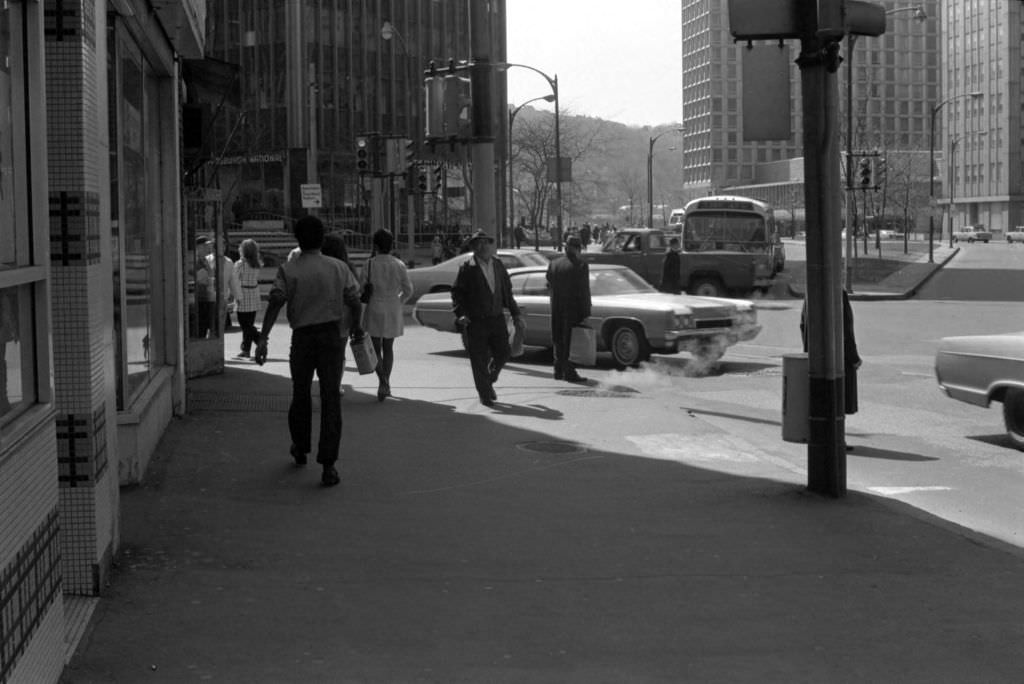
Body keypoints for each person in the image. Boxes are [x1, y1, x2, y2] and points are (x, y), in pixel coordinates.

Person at [254, 216, 363, 487]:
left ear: (297, 239)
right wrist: (357, 329)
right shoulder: (339, 267)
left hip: (302, 339)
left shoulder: (288, 269)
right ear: (322, 238)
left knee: (300, 394)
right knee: (330, 399)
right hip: (332, 338)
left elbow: (276, 301)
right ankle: (329, 465)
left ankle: (300, 446)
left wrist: (263, 338)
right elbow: (354, 300)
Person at [451, 230, 524, 407]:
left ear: (491, 246)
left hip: (496, 318)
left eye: (486, 242)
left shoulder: (498, 265)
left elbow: (507, 291)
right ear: (474, 247)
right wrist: (460, 314)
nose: (483, 246)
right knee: (478, 358)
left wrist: (515, 314)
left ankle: (489, 378)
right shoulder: (467, 267)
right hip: (476, 320)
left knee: (504, 352)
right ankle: (484, 393)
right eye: (478, 243)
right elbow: (457, 294)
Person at [799, 289, 862, 450]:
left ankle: (824, 437)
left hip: (816, 355)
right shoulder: (837, 292)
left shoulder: (811, 291)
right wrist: (853, 357)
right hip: (837, 357)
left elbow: (802, 324)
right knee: (837, 399)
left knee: (823, 399)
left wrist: (809, 350)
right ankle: (836, 439)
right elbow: (845, 329)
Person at [361, 229, 414, 401]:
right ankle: (386, 383)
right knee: (388, 347)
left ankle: (382, 381)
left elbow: (362, 288)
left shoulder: (369, 264)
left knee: (375, 349)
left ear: (375, 245)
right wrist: (399, 301)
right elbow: (408, 290)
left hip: (374, 307)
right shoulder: (399, 264)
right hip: (393, 307)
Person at [546, 234, 592, 383]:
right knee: (570, 341)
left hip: (556, 307)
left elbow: (549, 283)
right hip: (573, 309)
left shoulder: (554, 264)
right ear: (578, 249)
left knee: (558, 338)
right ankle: (569, 371)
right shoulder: (580, 265)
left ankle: (558, 370)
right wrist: (586, 312)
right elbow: (584, 290)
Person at [233, 239, 263, 358]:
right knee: (249, 323)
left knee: (244, 324)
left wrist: (233, 295)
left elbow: (234, 280)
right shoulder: (256, 263)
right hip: (254, 294)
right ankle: (246, 349)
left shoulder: (240, 264)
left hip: (243, 293)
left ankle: (259, 339)